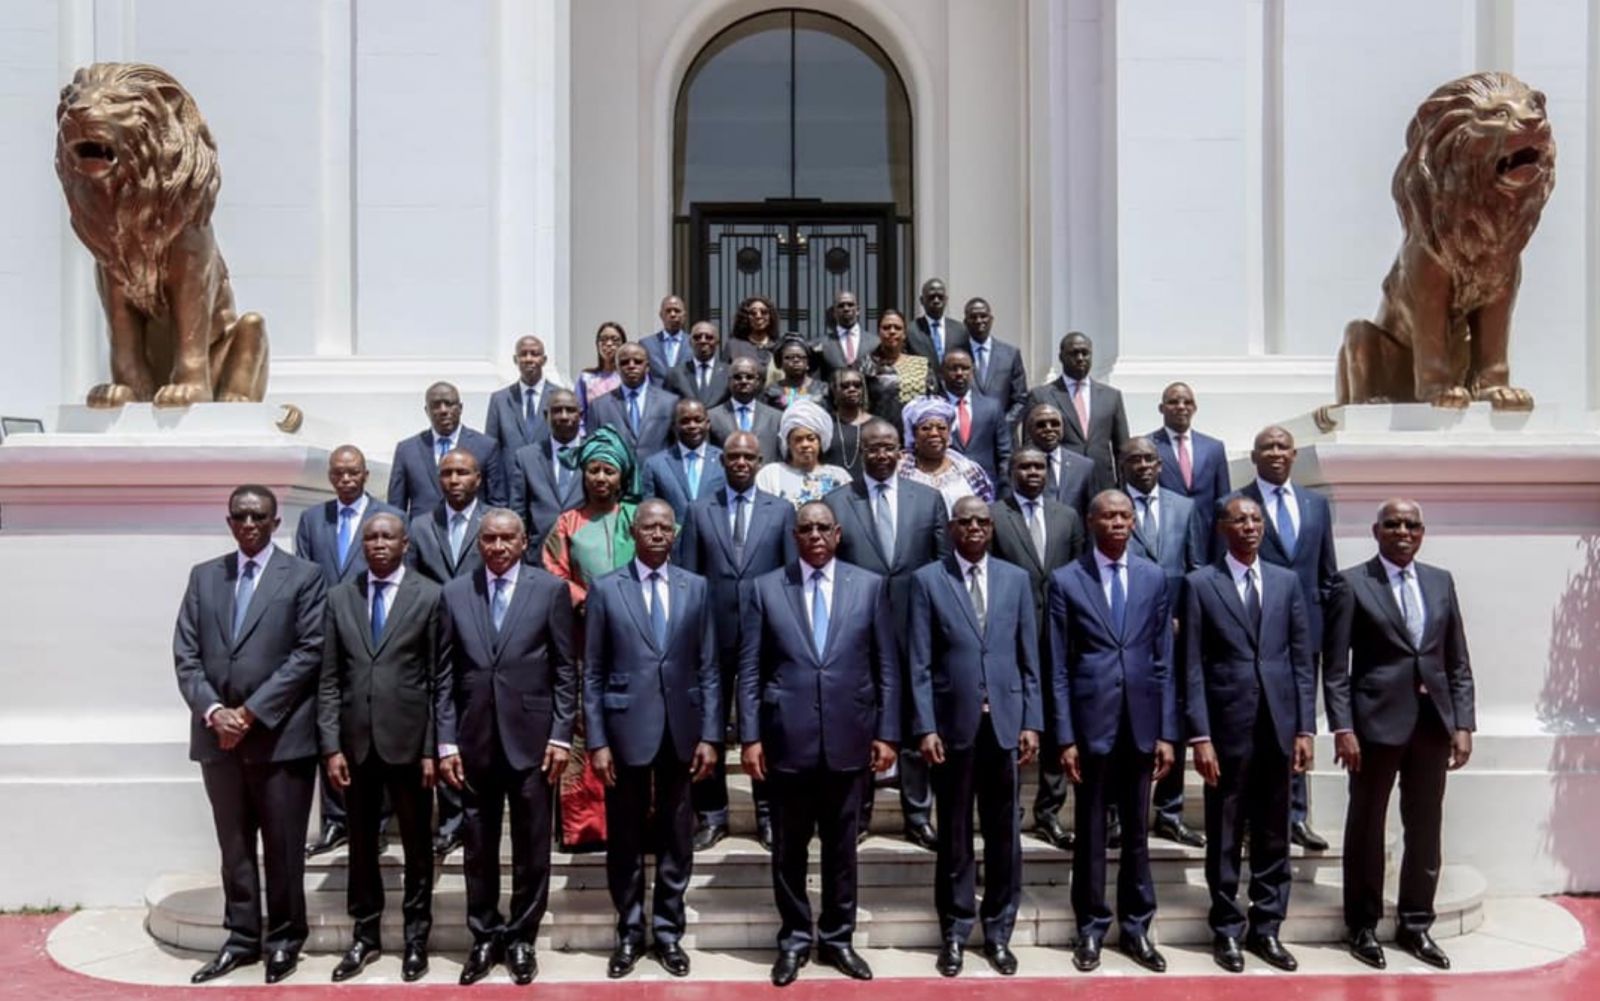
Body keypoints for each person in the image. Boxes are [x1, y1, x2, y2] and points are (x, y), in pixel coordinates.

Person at [738, 501, 899, 987]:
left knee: (841, 849)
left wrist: (887, 732)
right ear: (794, 535)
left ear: (838, 532)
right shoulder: (766, 588)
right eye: (805, 528)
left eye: (823, 528)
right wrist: (750, 736)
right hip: (787, 741)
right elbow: (750, 669)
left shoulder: (869, 586)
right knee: (789, 850)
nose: (814, 535)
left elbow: (886, 666)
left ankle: (837, 938)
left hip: (850, 738)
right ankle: (793, 939)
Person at [174, 485, 327, 985]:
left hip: (280, 739)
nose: (249, 524)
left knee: (283, 847)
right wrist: (215, 711)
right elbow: (186, 654)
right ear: (229, 522)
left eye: (258, 516)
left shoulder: (303, 576)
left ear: (275, 522)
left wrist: (251, 713)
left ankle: (284, 939)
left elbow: (309, 651)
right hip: (217, 739)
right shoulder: (205, 577)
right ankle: (241, 938)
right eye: (240, 516)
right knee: (234, 847)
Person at [1324, 499, 1475, 972]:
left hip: (1432, 725)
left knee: (1425, 827)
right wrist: (1343, 727)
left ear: (1422, 533)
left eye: (1412, 525)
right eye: (1393, 524)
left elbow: (1457, 660)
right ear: (1376, 531)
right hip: (1373, 727)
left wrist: (1463, 724)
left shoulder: (1440, 581)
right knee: (1367, 826)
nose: (1403, 532)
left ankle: (1416, 924)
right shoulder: (1352, 583)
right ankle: (1362, 926)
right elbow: (1335, 667)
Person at [435, 508, 577, 986]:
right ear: (479, 544)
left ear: (523, 542)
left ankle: (521, 937)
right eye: (489, 539)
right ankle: (484, 935)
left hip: (533, 741)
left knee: (532, 846)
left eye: (506, 538)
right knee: (478, 846)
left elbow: (565, 669)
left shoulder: (550, 590)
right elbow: (444, 676)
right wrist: (446, 742)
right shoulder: (456, 593)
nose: (497, 546)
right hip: (473, 741)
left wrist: (561, 734)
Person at [583, 499, 721, 979]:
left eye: (665, 527)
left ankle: (667, 932)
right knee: (624, 836)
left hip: (682, 731)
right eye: (649, 527)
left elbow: (709, 667)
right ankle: (629, 931)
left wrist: (711, 735)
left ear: (674, 534)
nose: (658, 534)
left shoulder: (696, 587)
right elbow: (592, 672)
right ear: (634, 533)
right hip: (624, 731)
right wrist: (597, 741)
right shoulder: (606, 589)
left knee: (677, 836)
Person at [909, 496, 1040, 978]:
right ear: (951, 529)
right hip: (952, 726)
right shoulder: (928, 580)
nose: (975, 528)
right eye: (965, 522)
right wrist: (925, 726)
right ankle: (956, 931)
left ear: (992, 527)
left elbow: (1029, 659)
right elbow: (919, 663)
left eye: (983, 521)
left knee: (1005, 836)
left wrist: (1031, 721)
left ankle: (999, 932)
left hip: (1004, 724)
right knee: (955, 834)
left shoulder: (1015, 579)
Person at [1184, 496, 1315, 974]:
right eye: (1240, 520)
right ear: (1222, 528)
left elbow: (1301, 659)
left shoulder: (1285, 581)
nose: (1251, 526)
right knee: (1224, 831)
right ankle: (1226, 928)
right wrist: (1199, 735)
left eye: (1257, 519)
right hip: (1226, 728)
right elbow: (1191, 665)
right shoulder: (1200, 584)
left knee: (1274, 832)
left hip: (1278, 725)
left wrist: (1305, 727)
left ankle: (1267, 927)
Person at [1047, 490, 1175, 974]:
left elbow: (1163, 660)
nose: (1118, 522)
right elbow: (1057, 665)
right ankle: (1091, 928)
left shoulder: (1154, 577)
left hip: (1141, 723)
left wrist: (1166, 732)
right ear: (1091, 521)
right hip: (1091, 726)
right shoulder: (1066, 580)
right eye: (1109, 516)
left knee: (1138, 833)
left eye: (1125, 515)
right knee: (1092, 832)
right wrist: (1065, 737)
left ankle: (1137, 927)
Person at [316, 513, 441, 983]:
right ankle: (365, 934)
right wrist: (331, 746)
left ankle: (416, 938)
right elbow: (329, 678)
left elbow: (438, 680)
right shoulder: (339, 598)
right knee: (362, 844)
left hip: (409, 744)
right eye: (370, 537)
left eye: (388, 536)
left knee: (417, 846)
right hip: (356, 746)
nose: (379, 543)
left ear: (405, 544)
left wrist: (431, 749)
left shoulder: (429, 596)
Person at [823, 418, 948, 849]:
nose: (881, 454)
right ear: (862, 451)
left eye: (888, 447)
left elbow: (941, 569)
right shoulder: (838, 501)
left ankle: (918, 815)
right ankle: (858, 815)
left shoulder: (928, 500)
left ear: (901, 450)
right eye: (873, 447)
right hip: (856, 631)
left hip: (915, 626)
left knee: (915, 719)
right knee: (860, 723)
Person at [677, 431, 797, 850]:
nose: (741, 462)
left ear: (760, 461)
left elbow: (789, 578)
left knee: (765, 722)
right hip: (712, 632)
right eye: (733, 456)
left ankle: (767, 812)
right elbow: (688, 577)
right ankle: (712, 815)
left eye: (748, 456)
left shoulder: (781, 511)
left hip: (765, 634)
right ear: (721, 461)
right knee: (708, 719)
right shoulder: (699, 510)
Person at [1234, 424, 1339, 851]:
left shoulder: (1316, 505)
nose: (1276, 453)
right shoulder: (1236, 504)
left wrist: (1329, 631)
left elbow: (1326, 573)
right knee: (1251, 727)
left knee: (1297, 725)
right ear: (1254, 456)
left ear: (1294, 455)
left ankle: (1295, 815)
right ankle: (1248, 818)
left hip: (1304, 635)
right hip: (1253, 634)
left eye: (1283, 447)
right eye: (1267, 447)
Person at [294, 445, 402, 858]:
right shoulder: (312, 519)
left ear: (365, 475)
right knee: (330, 723)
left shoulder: (388, 516)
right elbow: (304, 575)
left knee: (377, 722)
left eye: (353, 472)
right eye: (338, 473)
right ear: (330, 476)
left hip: (373, 632)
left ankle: (378, 821)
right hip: (326, 632)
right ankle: (336, 820)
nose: (345, 479)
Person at [541, 427, 644, 851]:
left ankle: (641, 823)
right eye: (593, 470)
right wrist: (589, 601)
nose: (600, 478)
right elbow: (553, 573)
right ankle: (587, 827)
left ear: (622, 476)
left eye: (608, 471)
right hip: (584, 640)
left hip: (637, 641)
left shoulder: (637, 519)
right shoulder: (567, 523)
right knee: (586, 724)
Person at [987, 447, 1085, 849]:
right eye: (1024, 466)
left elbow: (1078, 570)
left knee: (1056, 719)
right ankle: (1007, 809)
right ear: (1011, 471)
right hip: (1010, 634)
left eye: (1039, 466)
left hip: (1060, 632)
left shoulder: (1067, 516)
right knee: (1012, 720)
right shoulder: (994, 515)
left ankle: (1049, 811)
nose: (1032, 472)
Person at [1121, 436, 1207, 848]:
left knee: (1174, 714)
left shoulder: (1184, 508)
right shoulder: (1111, 506)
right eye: (1134, 459)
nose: (1143, 466)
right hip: (1126, 631)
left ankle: (1170, 811)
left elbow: (1195, 569)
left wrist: (1186, 618)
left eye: (1149, 459)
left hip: (1176, 630)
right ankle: (1122, 813)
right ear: (1122, 465)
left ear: (1160, 464)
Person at [1024, 332, 1128, 492]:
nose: (1080, 358)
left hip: (1103, 484)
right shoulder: (1041, 396)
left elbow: (1122, 449)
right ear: (1061, 357)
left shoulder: (1111, 396)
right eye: (1074, 353)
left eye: (1085, 353)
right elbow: (1030, 446)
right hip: (1061, 485)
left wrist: (1123, 488)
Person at [387, 381, 505, 516]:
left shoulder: (486, 447)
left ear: (460, 408)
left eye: (449, 404)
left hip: (472, 528)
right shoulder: (407, 450)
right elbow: (395, 508)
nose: (443, 410)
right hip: (423, 528)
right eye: (436, 405)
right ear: (427, 411)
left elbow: (497, 503)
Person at [1148, 381, 1230, 549]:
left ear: (1195, 408)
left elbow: (1223, 499)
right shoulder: (1147, 446)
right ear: (1161, 408)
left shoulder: (1214, 448)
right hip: (1164, 540)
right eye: (1173, 402)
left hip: (1206, 539)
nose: (1181, 407)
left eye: (1187, 402)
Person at [506, 387, 586, 554]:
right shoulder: (526, 457)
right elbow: (518, 511)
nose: (564, 416)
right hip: (539, 554)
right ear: (545, 415)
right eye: (557, 410)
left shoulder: (595, 453)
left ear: (581, 415)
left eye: (570, 410)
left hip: (585, 552)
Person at [587, 342, 680, 463]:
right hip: (617, 473)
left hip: (657, 473)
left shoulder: (669, 402)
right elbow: (593, 450)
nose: (631, 366)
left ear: (647, 367)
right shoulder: (599, 406)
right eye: (624, 362)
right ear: (617, 368)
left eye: (637, 361)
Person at [406, 450, 487, 587]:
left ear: (478, 479)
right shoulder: (420, 526)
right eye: (447, 473)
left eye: (462, 473)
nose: (454, 480)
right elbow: (411, 578)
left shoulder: (494, 522)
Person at [898, 397, 995, 509]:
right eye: (925, 428)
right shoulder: (900, 471)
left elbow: (986, 510)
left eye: (941, 428)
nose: (934, 433)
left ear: (949, 433)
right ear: (914, 435)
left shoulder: (970, 471)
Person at [754, 399, 852, 508]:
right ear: (788, 443)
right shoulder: (770, 475)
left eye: (811, 439)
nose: (805, 444)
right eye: (798, 439)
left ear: (820, 441)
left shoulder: (840, 476)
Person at [641, 398, 725, 522]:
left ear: (707, 424)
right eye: (685, 421)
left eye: (698, 420)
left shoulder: (723, 460)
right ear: (674, 426)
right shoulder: (655, 465)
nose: (692, 426)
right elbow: (649, 511)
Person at [940, 349, 1011, 486]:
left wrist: (1004, 487)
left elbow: (1005, 454)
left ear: (972, 371)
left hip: (986, 487)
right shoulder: (933, 407)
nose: (959, 373)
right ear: (942, 372)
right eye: (953, 368)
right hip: (946, 486)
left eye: (965, 368)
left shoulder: (992, 407)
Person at [859, 308, 932, 434]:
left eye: (897, 328)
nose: (892, 331)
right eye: (886, 328)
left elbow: (932, 402)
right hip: (879, 434)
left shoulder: (921, 364)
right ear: (879, 332)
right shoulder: (865, 364)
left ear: (904, 334)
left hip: (915, 436)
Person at [1022, 403, 1096, 519]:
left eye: (1055, 424)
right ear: (1030, 430)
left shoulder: (1084, 467)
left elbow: (1092, 512)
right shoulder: (1017, 466)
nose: (1049, 429)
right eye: (1041, 425)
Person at [963, 297, 1028, 428]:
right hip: (968, 434)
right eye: (973, 317)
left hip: (1003, 434)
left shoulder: (1010, 354)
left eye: (983, 316)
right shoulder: (956, 355)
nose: (979, 321)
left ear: (991, 319)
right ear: (965, 322)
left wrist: (1003, 426)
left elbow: (1021, 399)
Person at [485, 335, 552, 458]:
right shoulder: (499, 400)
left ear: (544, 360)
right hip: (511, 470)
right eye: (523, 354)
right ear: (515, 360)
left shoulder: (558, 397)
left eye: (534, 354)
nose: (529, 359)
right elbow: (491, 448)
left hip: (546, 469)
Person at [708, 356, 783, 463]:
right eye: (738, 377)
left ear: (758, 381)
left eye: (749, 377)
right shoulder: (712, 417)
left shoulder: (776, 418)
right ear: (729, 381)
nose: (744, 381)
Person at [663, 321, 731, 409]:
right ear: (690, 342)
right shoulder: (675, 374)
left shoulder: (730, 373)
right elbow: (667, 407)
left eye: (709, 337)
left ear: (717, 342)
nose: (703, 341)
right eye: (697, 337)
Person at [822, 367, 873, 480]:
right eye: (845, 386)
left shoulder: (878, 426)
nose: (852, 389)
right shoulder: (825, 424)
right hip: (832, 486)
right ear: (834, 390)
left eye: (857, 385)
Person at [816, 289, 877, 381]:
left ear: (858, 310)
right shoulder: (821, 344)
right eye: (841, 306)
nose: (846, 309)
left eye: (850, 305)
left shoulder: (875, 342)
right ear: (834, 312)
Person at [575, 321, 627, 430]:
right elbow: (578, 413)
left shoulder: (628, 377)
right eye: (603, 339)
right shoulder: (586, 378)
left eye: (615, 340)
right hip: (594, 435)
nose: (609, 344)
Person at [907, 277, 969, 362]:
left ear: (946, 300)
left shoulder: (960, 330)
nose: (936, 300)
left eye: (940, 297)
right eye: (931, 297)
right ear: (922, 300)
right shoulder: (911, 330)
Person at [762, 335, 829, 410]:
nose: (796, 360)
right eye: (788, 357)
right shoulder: (772, 391)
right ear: (780, 363)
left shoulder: (822, 389)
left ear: (808, 362)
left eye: (801, 357)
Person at [724, 294, 781, 376]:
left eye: (764, 312)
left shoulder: (779, 347)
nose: (758, 316)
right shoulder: (734, 346)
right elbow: (724, 376)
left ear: (770, 317)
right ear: (745, 318)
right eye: (753, 313)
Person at [641, 294, 689, 385]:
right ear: (661, 315)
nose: (673, 314)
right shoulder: (646, 344)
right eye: (668, 311)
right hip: (657, 393)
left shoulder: (693, 344)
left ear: (684, 315)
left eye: (677, 311)